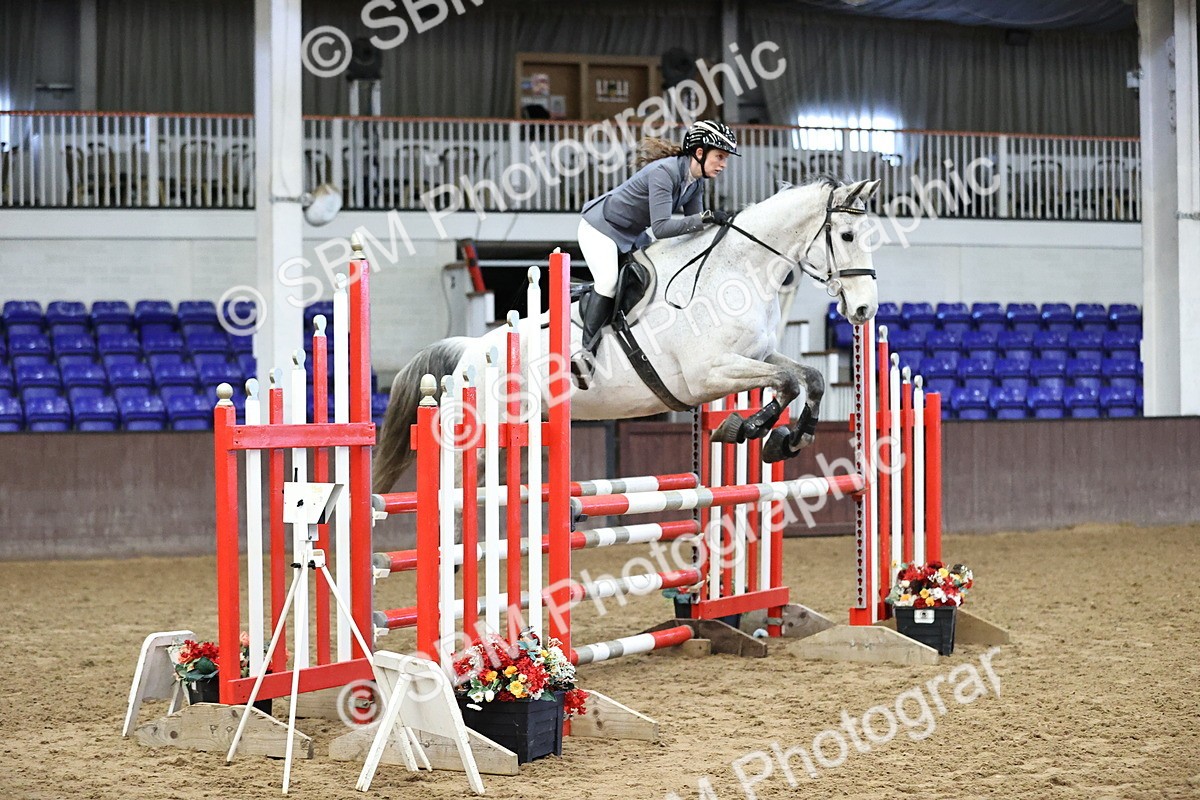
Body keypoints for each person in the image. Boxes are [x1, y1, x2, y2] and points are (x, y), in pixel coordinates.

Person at [574, 119, 739, 371]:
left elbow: (694, 227)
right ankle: (585, 354)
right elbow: (661, 228)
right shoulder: (665, 172)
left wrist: (721, 229)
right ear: (699, 152)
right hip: (601, 227)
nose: (724, 164)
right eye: (720, 156)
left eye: (725, 158)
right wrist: (706, 218)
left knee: (656, 276)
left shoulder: (695, 182)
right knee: (607, 282)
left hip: (632, 234)